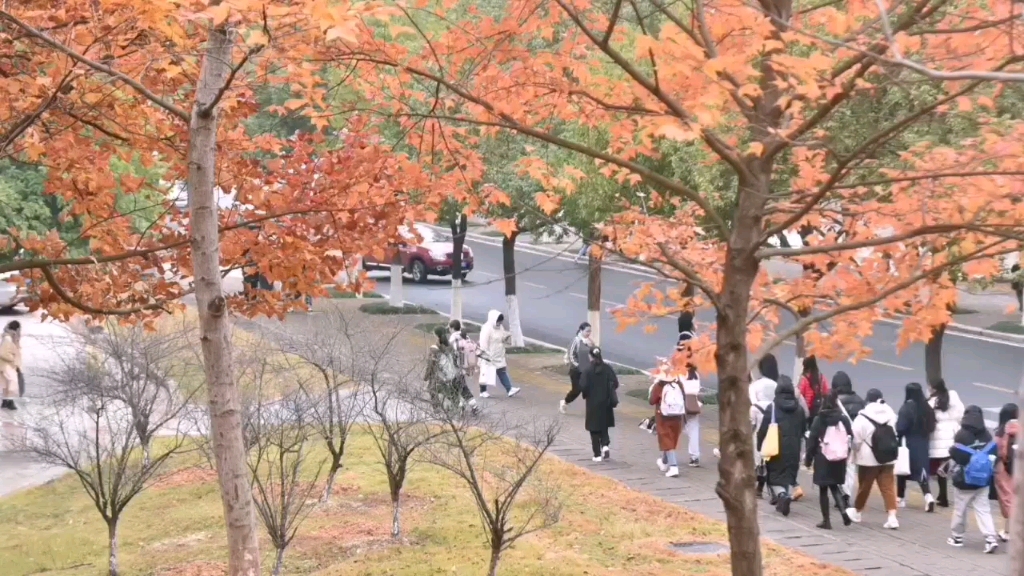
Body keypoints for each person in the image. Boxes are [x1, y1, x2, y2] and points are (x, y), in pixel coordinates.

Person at [947, 405, 999, 553]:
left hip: (964, 480)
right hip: (983, 481)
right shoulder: (987, 435)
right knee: (983, 510)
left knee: (960, 509)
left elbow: (957, 456)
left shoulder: (961, 435)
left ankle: (957, 537)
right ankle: (990, 538)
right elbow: (993, 456)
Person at [846, 389, 900, 529]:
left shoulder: (862, 417)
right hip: (888, 455)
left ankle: (857, 512)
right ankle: (892, 516)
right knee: (888, 487)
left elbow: (856, 441)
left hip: (868, 459)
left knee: (865, 486)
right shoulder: (891, 415)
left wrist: (853, 453)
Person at [756, 378, 806, 516]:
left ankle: (783, 496)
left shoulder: (772, 408)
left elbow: (763, 431)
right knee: (787, 474)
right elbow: (803, 429)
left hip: (776, 448)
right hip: (794, 448)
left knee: (775, 477)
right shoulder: (799, 409)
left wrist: (760, 446)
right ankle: (782, 501)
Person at [804, 390, 854, 529]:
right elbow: (850, 436)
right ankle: (844, 512)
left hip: (823, 457)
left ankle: (826, 520)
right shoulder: (843, 418)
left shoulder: (819, 419)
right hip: (839, 457)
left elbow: (812, 441)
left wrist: (808, 459)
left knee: (823, 489)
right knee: (835, 484)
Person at [896, 382, 937, 511]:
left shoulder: (906, 408)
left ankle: (900, 498)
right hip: (923, 443)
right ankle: (928, 496)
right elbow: (932, 426)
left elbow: (900, 427)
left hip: (908, 443)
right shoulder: (927, 408)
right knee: (922, 472)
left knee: (902, 471)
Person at [929, 378, 964, 508]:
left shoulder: (932, 402)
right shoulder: (953, 397)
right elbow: (961, 414)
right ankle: (943, 496)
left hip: (938, 436)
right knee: (946, 466)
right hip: (952, 433)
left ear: (933, 388)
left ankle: (943, 497)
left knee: (940, 468)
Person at [424, 326, 477, 414]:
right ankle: (461, 404)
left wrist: (426, 376)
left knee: (432, 388)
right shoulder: (450, 346)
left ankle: (438, 409)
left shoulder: (434, 348)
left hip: (443, 375)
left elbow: (431, 365)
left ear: (436, 336)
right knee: (455, 390)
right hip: (455, 374)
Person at [581, 347, 618, 462]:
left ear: (590, 356)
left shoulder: (587, 370)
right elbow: (615, 383)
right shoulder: (607, 368)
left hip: (592, 403)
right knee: (603, 425)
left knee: (594, 429)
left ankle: (597, 454)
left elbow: (583, 386)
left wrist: (587, 394)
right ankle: (605, 445)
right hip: (606, 402)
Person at [477, 310, 520, 398]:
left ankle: (509, 389)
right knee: (485, 373)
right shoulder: (486, 328)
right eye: (498, 321)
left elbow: (502, 337)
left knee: (502, 371)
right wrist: (484, 353)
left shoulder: (500, 327)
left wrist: (507, 336)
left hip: (499, 354)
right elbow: (483, 342)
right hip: (489, 355)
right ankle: (483, 391)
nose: (499, 323)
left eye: (500, 321)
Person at [650, 364, 684, 477]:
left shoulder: (659, 385)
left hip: (663, 416)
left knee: (666, 439)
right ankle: (664, 462)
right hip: (677, 416)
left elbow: (652, 400)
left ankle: (673, 466)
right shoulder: (678, 383)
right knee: (671, 439)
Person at [992, 403, 1018, 542]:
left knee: (1008, 500)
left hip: (1004, 470)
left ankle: (1009, 531)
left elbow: (997, 452)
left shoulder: (1001, 433)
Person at [750, 369, 776, 498]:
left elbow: (751, 425)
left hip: (758, 437)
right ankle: (763, 489)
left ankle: (756, 489)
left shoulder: (755, 407)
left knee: (758, 463)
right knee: (768, 465)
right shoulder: (775, 405)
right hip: (772, 438)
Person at [560, 322, 593, 414]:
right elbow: (571, 356)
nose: (589, 333)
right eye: (587, 331)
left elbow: (593, 354)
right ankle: (565, 402)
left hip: (587, 370)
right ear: (581, 330)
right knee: (577, 390)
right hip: (576, 371)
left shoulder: (589, 342)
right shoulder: (576, 341)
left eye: (590, 331)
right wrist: (578, 366)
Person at [798, 356, 830, 425]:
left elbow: (799, 395)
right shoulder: (821, 377)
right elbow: (826, 392)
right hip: (819, 411)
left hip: (806, 413)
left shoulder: (804, 379)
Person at [681, 363, 702, 467]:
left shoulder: (680, 374)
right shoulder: (695, 374)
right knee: (694, 431)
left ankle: (667, 457)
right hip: (694, 405)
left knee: (674, 429)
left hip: (681, 405)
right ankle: (695, 457)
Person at [0, 320, 21, 411]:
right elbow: (3, 352)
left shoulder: (10, 337)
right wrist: (12, 359)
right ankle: (10, 401)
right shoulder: (8, 338)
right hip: (7, 364)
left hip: (5, 365)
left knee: (6, 383)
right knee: (13, 381)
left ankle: (5, 401)